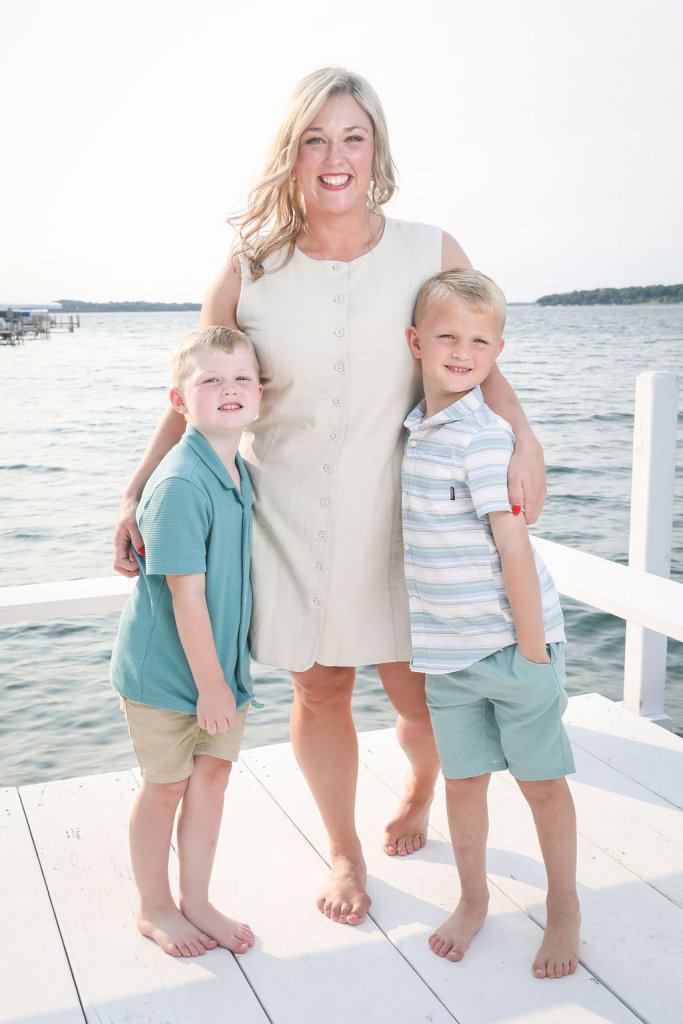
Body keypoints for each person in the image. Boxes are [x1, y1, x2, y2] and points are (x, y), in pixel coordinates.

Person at [114, 68, 547, 927]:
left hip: (411, 518)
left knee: (421, 696)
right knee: (320, 692)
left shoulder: (430, 250)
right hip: (290, 519)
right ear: (293, 153)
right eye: (315, 138)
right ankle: (344, 851)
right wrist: (135, 492)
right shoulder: (250, 267)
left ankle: (419, 789)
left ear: (375, 149)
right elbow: (195, 390)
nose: (334, 155)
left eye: (352, 136)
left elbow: (475, 355)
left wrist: (524, 440)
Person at [402, 269, 579, 978]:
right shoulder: (417, 431)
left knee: (541, 784)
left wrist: (532, 655)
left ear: (497, 351)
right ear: (415, 342)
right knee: (464, 782)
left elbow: (515, 549)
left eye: (479, 342)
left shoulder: (482, 437)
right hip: (447, 658)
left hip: (511, 649)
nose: (462, 352)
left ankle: (563, 906)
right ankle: (473, 899)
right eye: (447, 336)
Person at [111, 326, 262, 957]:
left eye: (242, 378)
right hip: (168, 675)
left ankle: (196, 900)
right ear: (179, 401)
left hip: (219, 670)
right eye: (210, 380)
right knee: (167, 785)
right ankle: (154, 907)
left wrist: (223, 680)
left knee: (212, 779)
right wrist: (212, 687)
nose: (229, 389)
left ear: (260, 394)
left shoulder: (236, 470)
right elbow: (185, 596)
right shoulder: (180, 484)